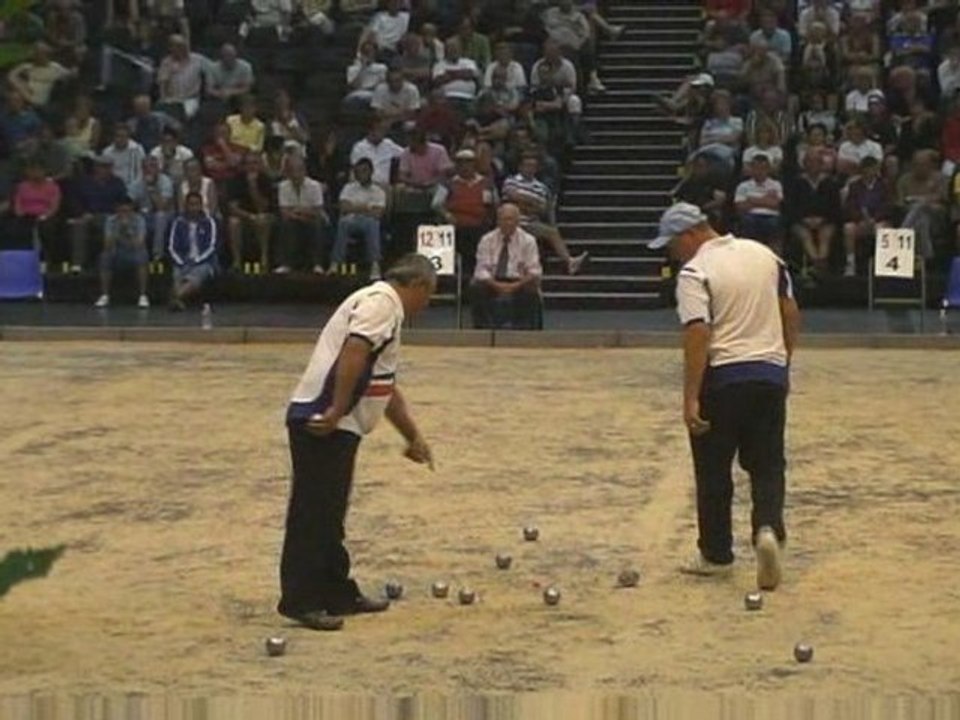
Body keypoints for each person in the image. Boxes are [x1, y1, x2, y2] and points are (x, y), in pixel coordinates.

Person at [278, 252, 437, 632]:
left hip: (338, 421)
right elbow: (355, 349)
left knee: (330, 513)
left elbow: (383, 385)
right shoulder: (383, 303)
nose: (427, 306)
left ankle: (337, 591)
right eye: (429, 295)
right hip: (325, 420)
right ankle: (301, 599)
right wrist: (334, 409)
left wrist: (412, 435)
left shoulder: (380, 306)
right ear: (416, 285)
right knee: (314, 513)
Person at [647, 202, 801, 591]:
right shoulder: (766, 256)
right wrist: (783, 361)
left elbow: (698, 332)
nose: (672, 253)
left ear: (690, 235)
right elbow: (790, 310)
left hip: (723, 377)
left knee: (713, 470)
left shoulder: (695, 272)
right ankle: (767, 528)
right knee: (767, 463)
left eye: (672, 244)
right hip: (768, 372)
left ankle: (716, 554)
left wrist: (691, 397)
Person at [470, 203, 543, 329]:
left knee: (531, 287)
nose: (508, 223)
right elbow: (481, 270)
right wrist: (497, 285)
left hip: (519, 281)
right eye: (504, 219)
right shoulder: (487, 240)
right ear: (498, 221)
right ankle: (483, 329)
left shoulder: (528, 241)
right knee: (476, 287)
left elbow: (534, 271)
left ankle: (523, 329)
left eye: (511, 219)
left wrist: (515, 285)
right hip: (493, 280)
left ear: (518, 221)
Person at [333, 158, 386, 279]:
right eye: (358, 171)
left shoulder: (379, 191)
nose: (361, 174)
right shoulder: (348, 188)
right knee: (343, 222)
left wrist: (355, 207)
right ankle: (336, 264)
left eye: (364, 171)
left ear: (371, 172)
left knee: (373, 224)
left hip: (369, 222)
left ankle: (375, 265)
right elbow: (343, 208)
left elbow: (378, 214)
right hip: (351, 221)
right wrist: (367, 208)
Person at [94, 196, 150, 309]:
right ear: (117, 210)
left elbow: (139, 243)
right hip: (116, 252)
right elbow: (107, 245)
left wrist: (128, 231)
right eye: (121, 211)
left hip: (134, 252)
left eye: (127, 211)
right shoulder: (111, 220)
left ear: (132, 209)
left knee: (142, 256)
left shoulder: (140, 220)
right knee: (105, 257)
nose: (124, 214)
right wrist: (119, 230)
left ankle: (143, 295)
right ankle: (105, 295)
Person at [167, 191, 218, 311]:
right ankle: (178, 300)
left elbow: (212, 247)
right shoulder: (178, 222)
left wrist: (196, 261)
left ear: (201, 206)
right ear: (186, 206)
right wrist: (181, 262)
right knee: (176, 274)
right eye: (191, 204)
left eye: (196, 204)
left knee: (196, 275)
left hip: (204, 262)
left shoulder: (209, 222)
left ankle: (175, 298)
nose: (193, 208)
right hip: (182, 261)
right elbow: (171, 247)